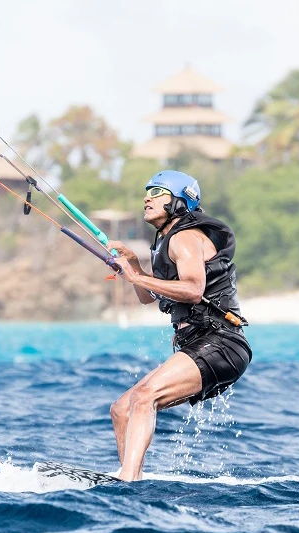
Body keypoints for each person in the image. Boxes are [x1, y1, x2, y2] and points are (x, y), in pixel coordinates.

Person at [105, 170, 252, 481]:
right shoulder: (164, 243)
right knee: (122, 410)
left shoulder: (185, 238)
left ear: (180, 201)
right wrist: (134, 265)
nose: (147, 197)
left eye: (157, 191)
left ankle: (128, 478)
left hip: (221, 342)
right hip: (200, 343)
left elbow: (193, 290)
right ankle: (131, 479)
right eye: (146, 191)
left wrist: (136, 277)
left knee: (145, 396)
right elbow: (147, 296)